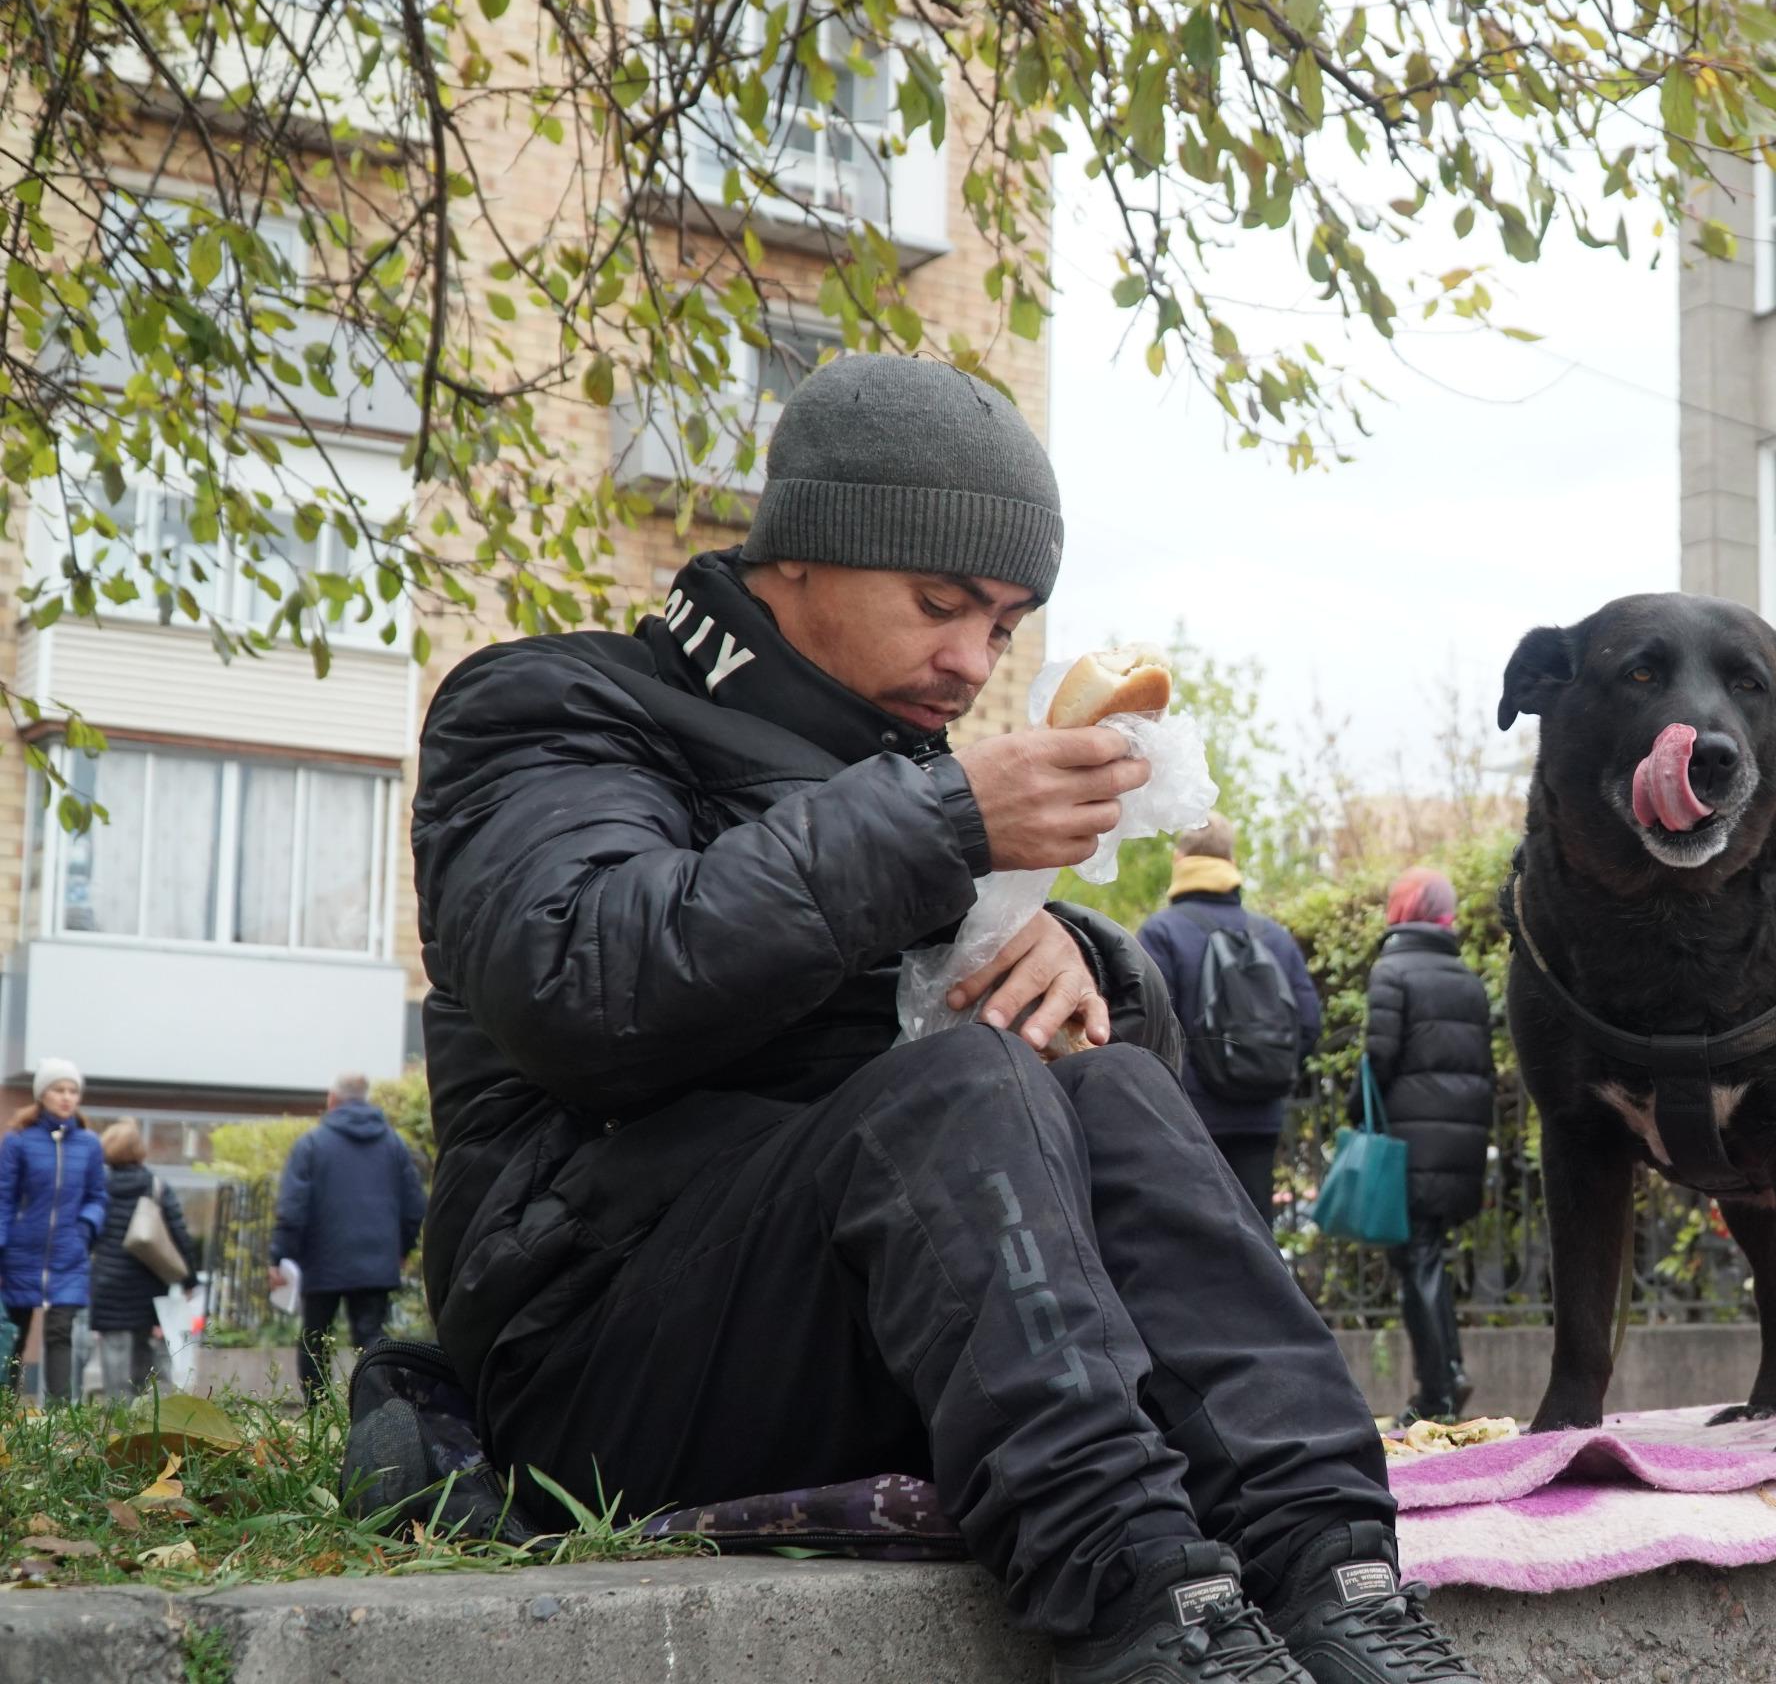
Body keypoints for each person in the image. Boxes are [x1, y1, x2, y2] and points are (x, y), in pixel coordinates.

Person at [407, 355, 1474, 1684]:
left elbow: (1089, 1117)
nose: (972, 661)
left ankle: (1339, 1579)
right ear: (797, 554)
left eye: (1006, 624)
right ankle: (1147, 1614)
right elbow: (582, 983)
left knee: (1115, 1089)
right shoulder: (555, 708)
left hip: (884, 1344)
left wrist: (1088, 968)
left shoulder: (906, 785)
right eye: (938, 604)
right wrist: (944, 828)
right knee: (958, 1087)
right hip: (603, 1359)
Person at [1356, 869, 1495, 1427]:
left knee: (1415, 1260)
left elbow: (1378, 1058)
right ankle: (1448, 1373)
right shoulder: (1467, 977)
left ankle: (1437, 1392)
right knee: (1428, 1254)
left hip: (1409, 1143)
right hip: (1458, 1143)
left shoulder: (1392, 971)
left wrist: (1354, 1111)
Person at [1137, 816, 1324, 1214]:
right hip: (1261, 1113)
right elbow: (1308, 1021)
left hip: (1191, 1117)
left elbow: (1146, 1027)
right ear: (1231, 860)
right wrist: (1266, 1073)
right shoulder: (1273, 936)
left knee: (1195, 1237)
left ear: (1179, 859)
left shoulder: (1161, 933)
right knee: (1256, 1233)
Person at [270, 1074, 426, 1399]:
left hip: (322, 1261)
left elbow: (293, 1207)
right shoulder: (394, 1145)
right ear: (366, 1099)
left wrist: (280, 1256)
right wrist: (402, 1248)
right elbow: (415, 1205)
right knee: (371, 1339)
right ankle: (379, 1410)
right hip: (376, 1264)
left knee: (315, 1341)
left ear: (331, 1100)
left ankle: (318, 1415)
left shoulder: (311, 1145)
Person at [0, 1059, 108, 1403]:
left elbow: (97, 1197)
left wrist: (85, 1229)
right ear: (42, 1095)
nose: (66, 1097)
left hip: (68, 1252)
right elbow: (4, 1197)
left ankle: (61, 1420)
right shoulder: (18, 1141)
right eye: (58, 1089)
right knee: (16, 1332)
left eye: (72, 1091)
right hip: (21, 1252)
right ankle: (6, 1410)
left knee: (60, 1330)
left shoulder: (89, 1144)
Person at [90, 1118, 199, 1397]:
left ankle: (116, 1422)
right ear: (140, 1150)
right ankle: (145, 1423)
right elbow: (179, 1234)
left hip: (107, 1284)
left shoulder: (97, 1188)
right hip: (146, 1284)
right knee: (145, 1353)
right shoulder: (156, 1187)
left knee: (114, 1355)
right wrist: (189, 1280)